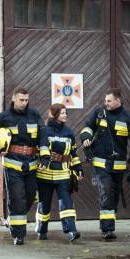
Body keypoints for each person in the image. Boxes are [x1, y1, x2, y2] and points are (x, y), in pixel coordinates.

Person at [80, 88, 130, 240]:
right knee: (107, 192)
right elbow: (87, 126)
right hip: (100, 164)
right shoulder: (99, 113)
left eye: (109, 101)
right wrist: (86, 137)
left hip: (119, 167)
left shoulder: (129, 118)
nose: (106, 103)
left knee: (114, 196)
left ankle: (109, 221)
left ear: (118, 100)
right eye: (105, 100)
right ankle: (107, 230)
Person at [0, 88, 44, 245]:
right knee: (17, 198)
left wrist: (44, 155)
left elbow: (43, 135)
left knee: (28, 197)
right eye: (21, 100)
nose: (24, 103)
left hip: (31, 164)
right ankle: (18, 234)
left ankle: (11, 220)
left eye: (26, 100)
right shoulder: (4, 117)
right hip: (12, 164)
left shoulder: (34, 115)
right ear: (14, 99)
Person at [36, 103, 84, 242]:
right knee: (44, 205)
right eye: (62, 113)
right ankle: (41, 230)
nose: (65, 115)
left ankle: (71, 231)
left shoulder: (69, 132)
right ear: (54, 114)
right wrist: (43, 162)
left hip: (63, 174)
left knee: (67, 203)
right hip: (45, 174)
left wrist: (78, 168)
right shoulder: (45, 130)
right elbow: (42, 149)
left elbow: (73, 153)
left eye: (65, 113)